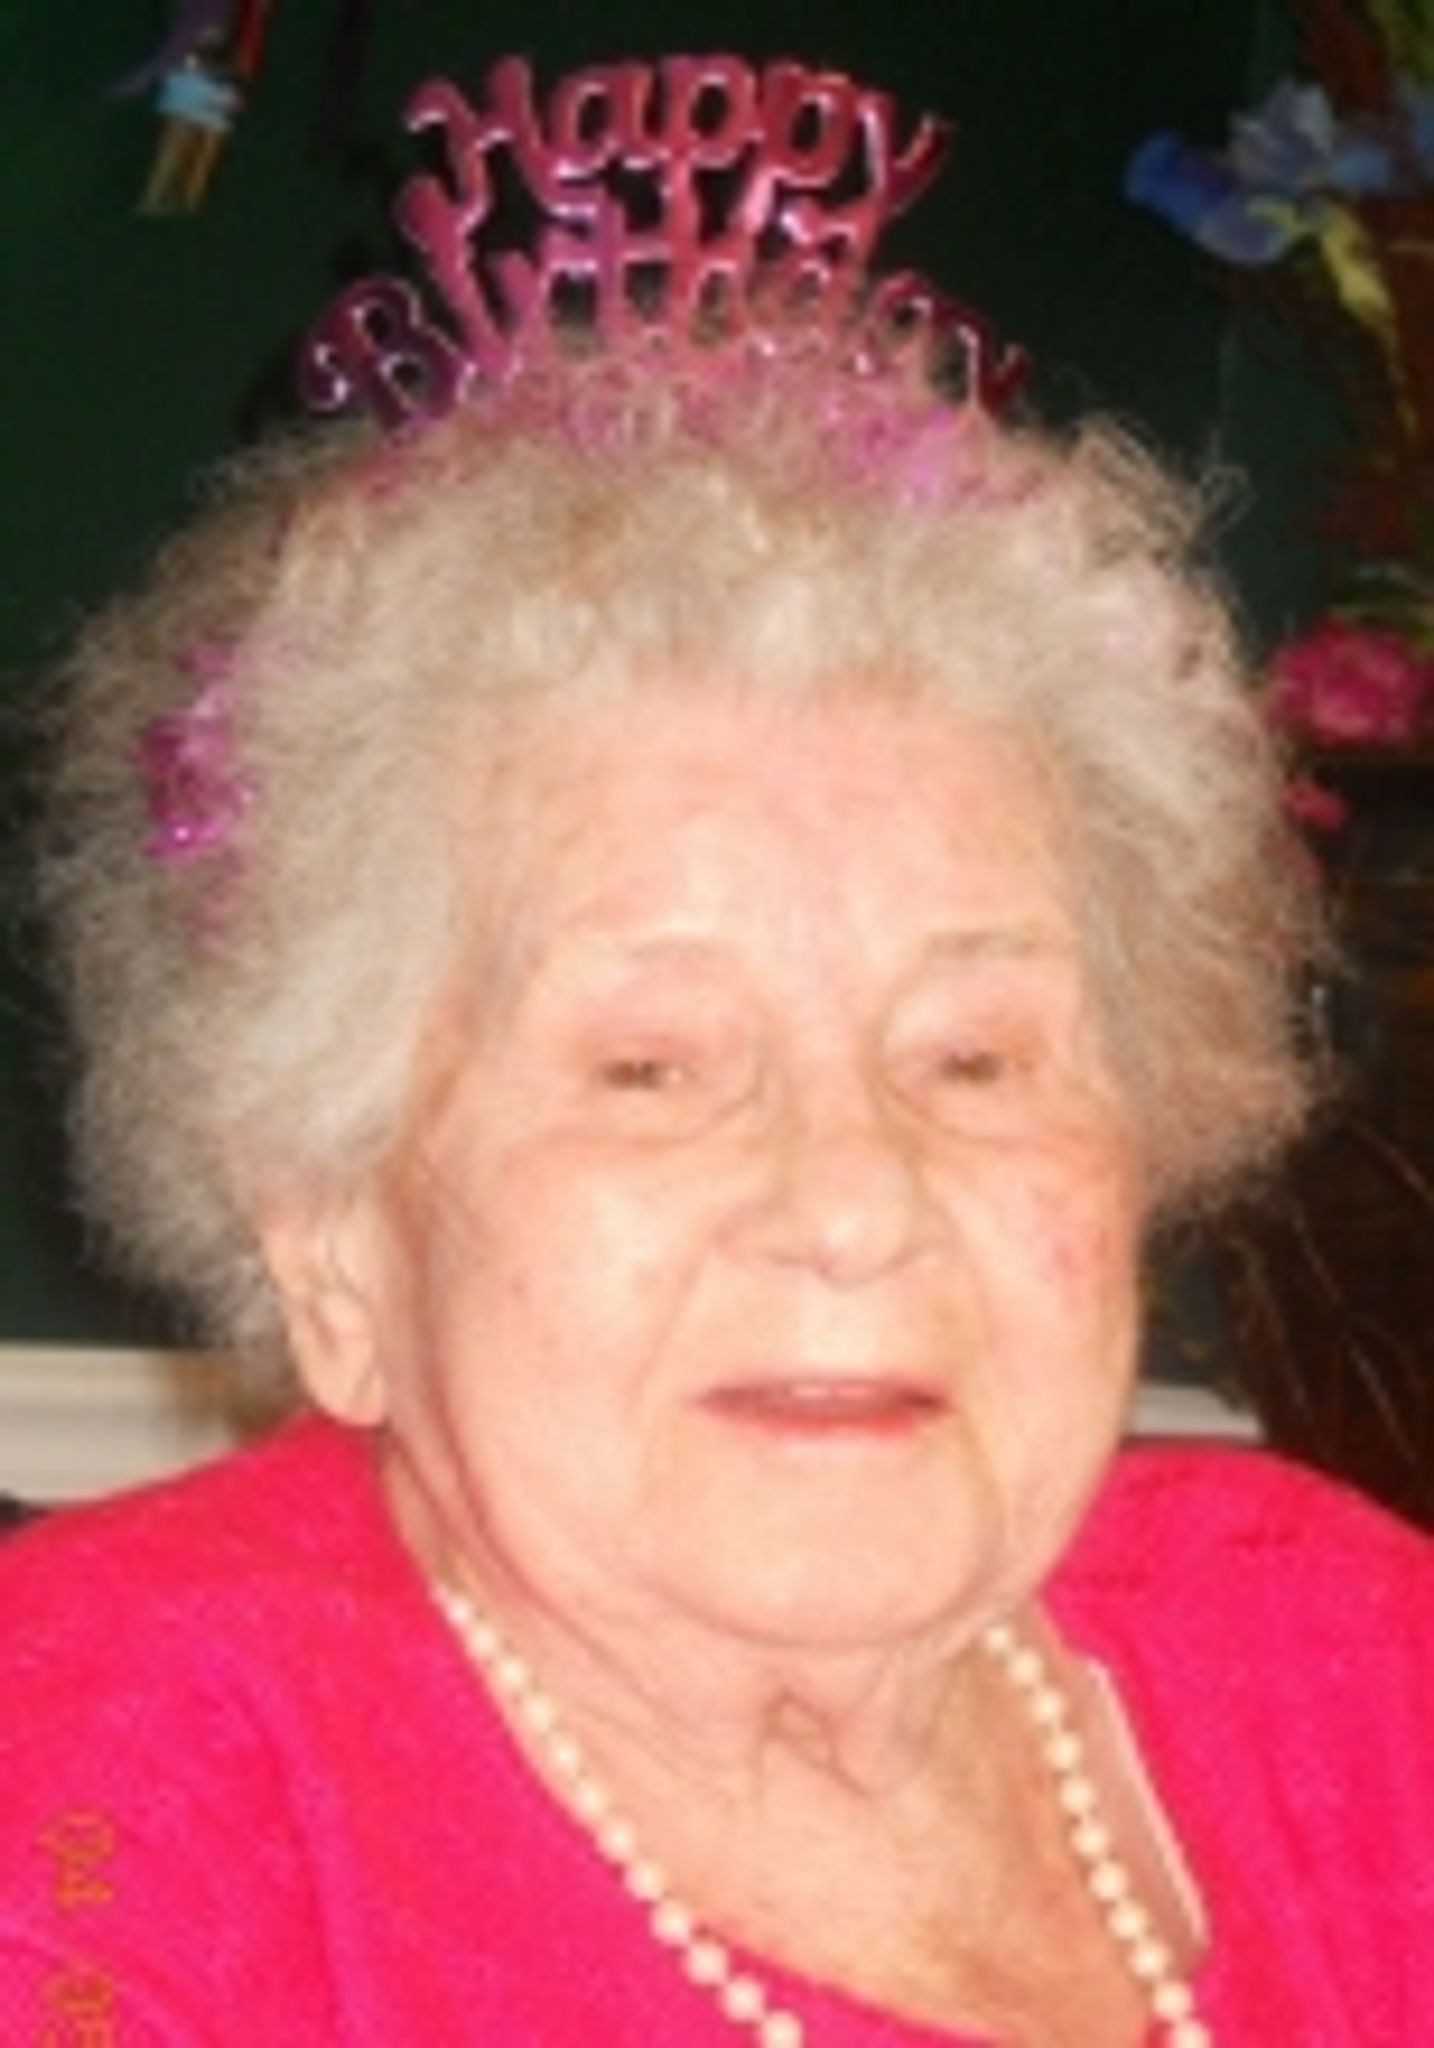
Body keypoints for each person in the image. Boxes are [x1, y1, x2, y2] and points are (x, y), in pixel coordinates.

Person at [3, 49, 1431, 2048]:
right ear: (329, 1231)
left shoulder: (1344, 1662)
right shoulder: (97, 1792)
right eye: (650, 1068)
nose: (851, 1203)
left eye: (976, 1059)